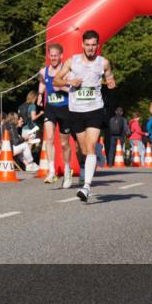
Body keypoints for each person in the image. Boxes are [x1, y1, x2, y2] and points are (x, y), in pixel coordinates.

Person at [54, 29, 116, 203]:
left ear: (97, 45)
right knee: (83, 149)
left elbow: (110, 78)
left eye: (93, 45)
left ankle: (86, 187)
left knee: (89, 147)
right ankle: (93, 157)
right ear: (82, 44)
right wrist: (70, 81)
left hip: (95, 109)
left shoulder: (103, 63)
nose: (90, 48)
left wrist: (111, 82)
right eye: (87, 45)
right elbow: (56, 80)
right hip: (76, 111)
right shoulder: (72, 61)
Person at [37, 43, 73, 185]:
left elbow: (73, 89)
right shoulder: (43, 71)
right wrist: (40, 95)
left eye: (55, 56)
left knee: (64, 143)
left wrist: (62, 87)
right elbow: (42, 83)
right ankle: (51, 171)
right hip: (50, 108)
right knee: (49, 137)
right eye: (51, 55)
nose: (53, 58)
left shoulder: (67, 72)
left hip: (65, 108)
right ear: (48, 56)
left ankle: (67, 169)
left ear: (61, 56)